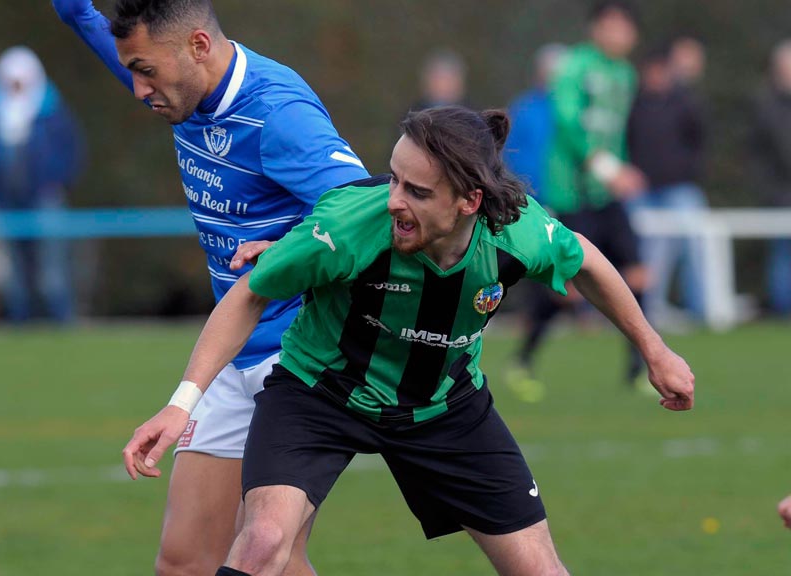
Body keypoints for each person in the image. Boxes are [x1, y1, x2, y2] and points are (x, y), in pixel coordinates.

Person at [123, 105, 695, 576]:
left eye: (417, 191)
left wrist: (654, 349)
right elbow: (248, 294)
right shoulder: (349, 227)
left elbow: (587, 259)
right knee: (264, 541)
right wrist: (182, 403)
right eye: (393, 177)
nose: (394, 199)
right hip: (318, 393)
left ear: (469, 202)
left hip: (446, 407)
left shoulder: (517, 233)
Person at [51, 0, 369, 574]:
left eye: (145, 71)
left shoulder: (277, 112)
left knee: (271, 552)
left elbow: (364, 207)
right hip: (231, 348)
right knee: (184, 561)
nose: (137, 88)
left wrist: (290, 248)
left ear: (198, 46)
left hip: (301, 357)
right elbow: (80, 15)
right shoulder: (179, 83)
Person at [515, 1, 648, 389]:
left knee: (638, 272)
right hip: (574, 193)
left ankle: (639, 368)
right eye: (611, 25)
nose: (618, 34)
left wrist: (623, 170)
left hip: (608, 194)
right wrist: (610, 170)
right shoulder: (575, 67)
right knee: (567, 286)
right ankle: (523, 360)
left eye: (625, 27)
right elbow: (571, 125)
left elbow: (615, 134)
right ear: (596, 28)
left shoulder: (625, 74)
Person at [0, 46, 84, 324]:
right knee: (12, 266)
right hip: (2, 201)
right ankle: (19, 319)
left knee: (51, 266)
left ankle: (59, 320)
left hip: (45, 199)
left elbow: (71, 152)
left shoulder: (53, 112)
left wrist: (57, 184)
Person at [626, 45, 709, 324]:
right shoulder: (633, 104)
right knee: (649, 254)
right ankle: (649, 309)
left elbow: (699, 141)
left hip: (679, 187)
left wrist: (687, 170)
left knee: (697, 245)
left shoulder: (685, 102)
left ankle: (702, 309)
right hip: (643, 191)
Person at [750, 40, 791, 316]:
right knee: (782, 258)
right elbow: (760, 157)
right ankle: (782, 311)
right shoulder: (765, 107)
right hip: (781, 196)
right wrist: (774, 192)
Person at [504, 43, 568, 201]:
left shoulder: (574, 110)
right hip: (531, 198)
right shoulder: (523, 108)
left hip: (571, 200)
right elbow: (508, 152)